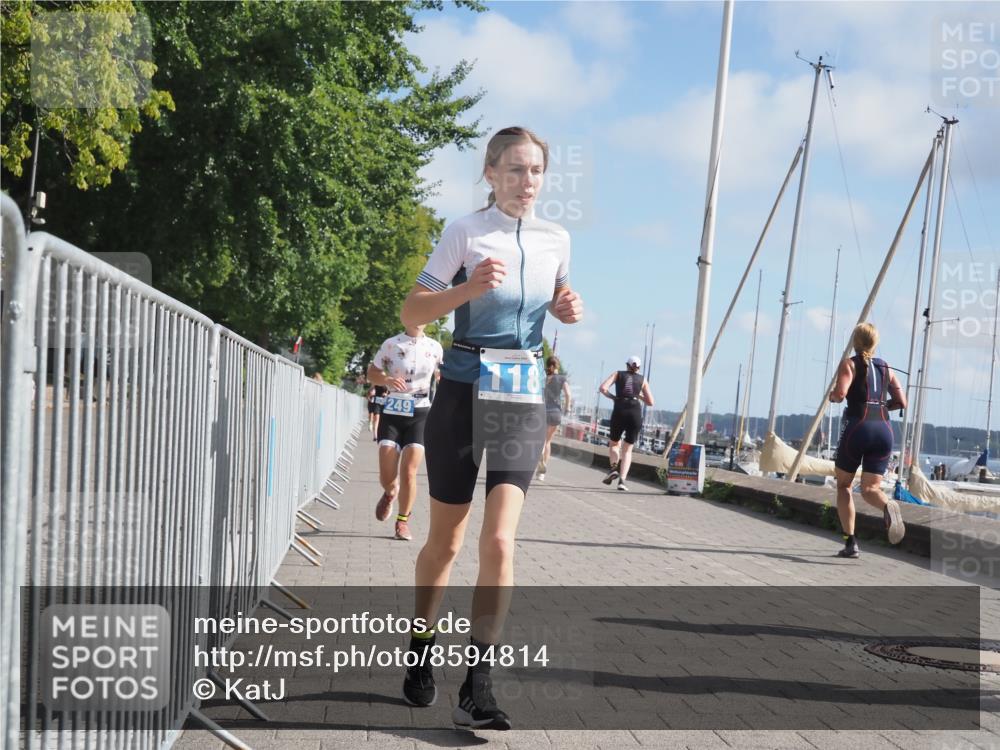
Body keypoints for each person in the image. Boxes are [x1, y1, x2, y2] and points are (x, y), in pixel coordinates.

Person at [398, 126, 583, 730]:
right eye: (514, 170)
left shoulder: (557, 239)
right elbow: (412, 311)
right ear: (491, 174)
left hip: (520, 395)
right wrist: (466, 289)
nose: (526, 182)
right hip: (460, 390)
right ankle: (421, 647)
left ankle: (479, 684)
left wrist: (564, 307)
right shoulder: (464, 233)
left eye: (535, 172)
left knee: (500, 541)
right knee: (447, 542)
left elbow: (552, 299)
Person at [829, 322, 906, 559]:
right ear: (875, 343)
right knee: (871, 488)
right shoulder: (887, 368)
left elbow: (841, 394)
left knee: (844, 486)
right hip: (883, 429)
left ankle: (850, 542)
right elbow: (901, 402)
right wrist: (882, 407)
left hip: (858, 427)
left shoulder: (849, 364)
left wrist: (833, 396)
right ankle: (887, 506)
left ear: (855, 341)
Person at [367, 325, 444, 541]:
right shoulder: (392, 344)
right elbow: (372, 373)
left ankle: (402, 522)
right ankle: (391, 492)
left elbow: (443, 374)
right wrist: (387, 380)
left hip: (420, 414)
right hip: (392, 412)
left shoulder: (435, 346)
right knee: (386, 476)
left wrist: (443, 379)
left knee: (410, 471)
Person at [599, 356, 654, 491]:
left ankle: (613, 468)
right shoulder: (643, 380)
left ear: (627, 365)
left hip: (620, 409)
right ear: (638, 367)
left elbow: (603, 388)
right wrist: (638, 394)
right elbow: (650, 402)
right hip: (635, 412)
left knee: (614, 443)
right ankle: (622, 481)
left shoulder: (618, 374)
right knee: (627, 449)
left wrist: (614, 398)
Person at [536, 356, 571, 481]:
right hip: (555, 412)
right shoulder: (562, 379)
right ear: (558, 365)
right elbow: (568, 394)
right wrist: (567, 409)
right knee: (548, 441)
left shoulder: (542, 378)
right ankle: (542, 473)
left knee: (541, 440)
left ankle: (539, 457)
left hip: (541, 411)